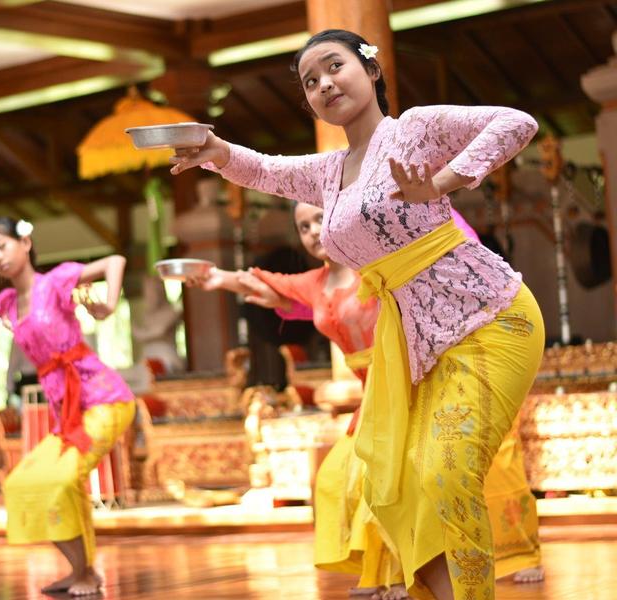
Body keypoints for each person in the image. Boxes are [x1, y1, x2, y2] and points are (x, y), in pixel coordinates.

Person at [171, 29, 544, 600]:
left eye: (333, 66)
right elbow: (268, 171)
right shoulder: (330, 174)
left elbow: (517, 123)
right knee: (406, 483)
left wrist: (443, 182)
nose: (323, 84)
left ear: (370, 70)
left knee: (444, 471)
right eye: (310, 81)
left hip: (490, 318)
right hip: (424, 344)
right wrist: (218, 154)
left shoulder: (413, 130)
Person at [191, 203, 543, 598]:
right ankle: (392, 575)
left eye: (319, 219)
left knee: (422, 473)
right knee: (345, 477)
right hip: (371, 391)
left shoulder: (379, 265)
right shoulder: (315, 283)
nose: (311, 231)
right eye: (303, 226)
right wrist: (215, 277)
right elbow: (266, 285)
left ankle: (421, 575)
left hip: (407, 377)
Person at [0, 217, 135, 597]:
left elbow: (114, 261)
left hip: (104, 398)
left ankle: (86, 572)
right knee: (21, 483)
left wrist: (109, 305)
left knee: (61, 479)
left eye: (1, 246)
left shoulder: (54, 283)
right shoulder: (7, 303)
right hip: (67, 415)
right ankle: (79, 571)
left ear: (25, 242)